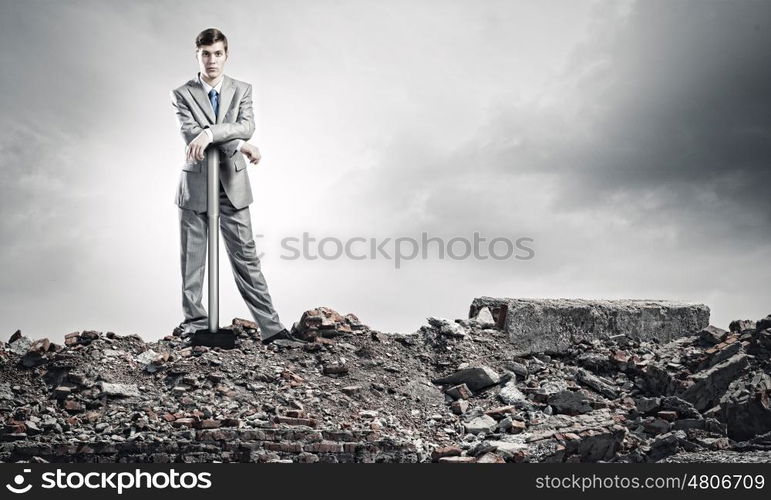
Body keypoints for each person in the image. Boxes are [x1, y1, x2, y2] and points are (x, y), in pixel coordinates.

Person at [170, 27, 299, 345]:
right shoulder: (181, 94)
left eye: (217, 54)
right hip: (196, 187)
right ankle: (195, 324)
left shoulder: (243, 89)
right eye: (205, 54)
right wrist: (236, 139)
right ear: (197, 54)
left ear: (226, 55)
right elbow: (191, 136)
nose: (211, 60)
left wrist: (214, 134)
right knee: (193, 261)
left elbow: (247, 125)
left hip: (233, 185)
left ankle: (272, 329)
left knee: (246, 257)